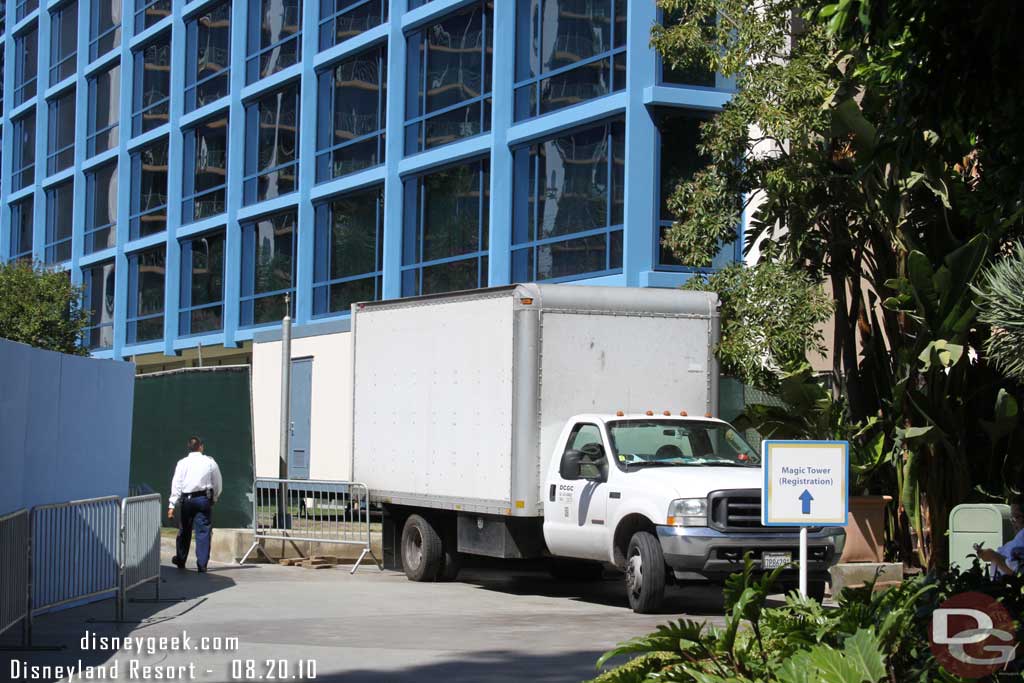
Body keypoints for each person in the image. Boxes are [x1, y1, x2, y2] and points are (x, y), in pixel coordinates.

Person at [168, 436, 223, 573]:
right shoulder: (210, 462)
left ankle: (181, 559)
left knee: (184, 530)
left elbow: (177, 484)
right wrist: (214, 497)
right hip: (203, 499)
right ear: (201, 447)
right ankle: (202, 564)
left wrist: (172, 505)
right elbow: (217, 482)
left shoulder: (182, 463)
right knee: (203, 531)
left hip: (187, 499)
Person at [976, 496, 1024, 578]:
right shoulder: (1019, 537)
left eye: (1016, 517)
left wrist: (992, 556)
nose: (1013, 522)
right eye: (1011, 518)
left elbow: (1015, 572)